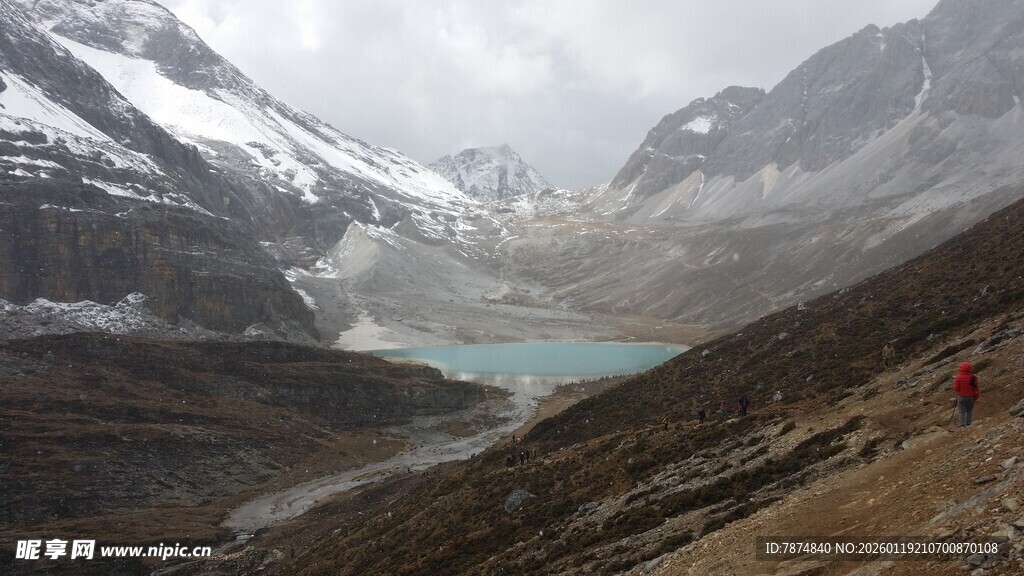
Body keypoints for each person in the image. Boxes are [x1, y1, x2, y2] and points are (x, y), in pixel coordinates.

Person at [953, 362, 980, 427]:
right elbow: (975, 388)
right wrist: (976, 397)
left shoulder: (958, 377)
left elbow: (956, 388)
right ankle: (968, 424)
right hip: (971, 396)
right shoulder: (974, 377)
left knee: (961, 411)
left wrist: (960, 391)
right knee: (969, 410)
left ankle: (962, 425)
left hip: (961, 396)